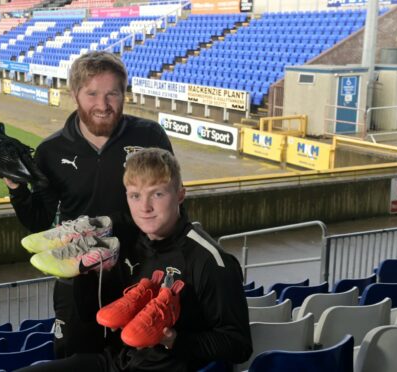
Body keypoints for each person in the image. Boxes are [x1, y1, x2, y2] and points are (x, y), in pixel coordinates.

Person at [17, 148, 252, 371]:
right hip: (117, 363)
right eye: (135, 195)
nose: (145, 207)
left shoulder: (210, 260)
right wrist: (88, 276)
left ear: (180, 194)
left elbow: (239, 345)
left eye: (157, 194)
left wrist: (172, 339)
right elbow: (93, 316)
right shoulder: (128, 243)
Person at [4, 51, 174, 357]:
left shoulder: (150, 136)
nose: (103, 105)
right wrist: (16, 188)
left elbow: (172, 204)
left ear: (125, 94)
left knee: (140, 359)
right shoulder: (50, 151)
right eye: (92, 93)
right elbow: (40, 223)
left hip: (141, 276)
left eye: (113, 94)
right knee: (76, 359)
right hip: (78, 280)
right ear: (74, 95)